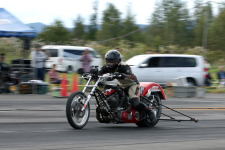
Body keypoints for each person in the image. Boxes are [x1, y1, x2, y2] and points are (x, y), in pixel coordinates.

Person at [99, 50, 157, 123]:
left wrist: (122, 75)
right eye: (108, 61)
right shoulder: (107, 67)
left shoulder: (124, 66)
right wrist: (92, 73)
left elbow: (131, 77)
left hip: (132, 84)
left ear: (117, 61)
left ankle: (149, 112)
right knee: (110, 94)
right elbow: (99, 73)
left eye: (112, 61)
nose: (110, 63)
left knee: (134, 102)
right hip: (120, 84)